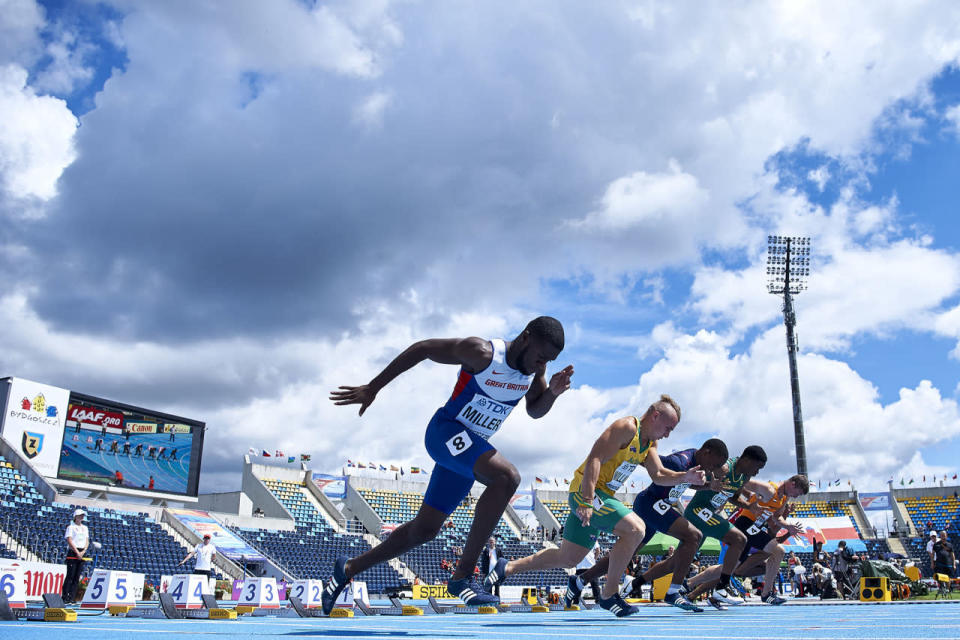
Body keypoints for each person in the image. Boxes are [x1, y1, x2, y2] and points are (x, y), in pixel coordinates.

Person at [322, 317, 572, 612]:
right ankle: (463, 576)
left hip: (469, 450)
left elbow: (534, 410)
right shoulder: (482, 354)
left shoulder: (536, 370)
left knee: (425, 531)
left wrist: (552, 393)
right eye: (541, 357)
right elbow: (423, 348)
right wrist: (373, 387)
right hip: (446, 432)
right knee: (507, 478)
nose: (541, 365)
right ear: (526, 338)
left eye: (549, 361)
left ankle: (347, 568)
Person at [486, 396, 707, 617]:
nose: (668, 434)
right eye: (668, 428)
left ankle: (507, 567)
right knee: (636, 529)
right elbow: (595, 459)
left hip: (601, 495)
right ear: (655, 416)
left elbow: (658, 475)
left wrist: (684, 477)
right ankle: (609, 594)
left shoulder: (650, 442)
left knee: (568, 558)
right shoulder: (627, 427)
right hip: (586, 492)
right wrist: (587, 500)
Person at [575, 438, 730, 612]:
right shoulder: (679, 461)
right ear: (707, 452)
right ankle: (674, 591)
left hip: (656, 506)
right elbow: (649, 461)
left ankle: (581, 580)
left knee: (627, 553)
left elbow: (688, 482)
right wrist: (641, 446)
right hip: (651, 504)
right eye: (714, 464)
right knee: (694, 536)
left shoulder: (698, 461)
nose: (713, 469)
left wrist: (709, 486)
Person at [688, 474, 808, 606]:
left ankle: (688, 583)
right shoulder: (768, 489)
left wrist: (788, 526)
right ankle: (766, 594)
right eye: (798, 493)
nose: (797, 497)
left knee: (729, 568)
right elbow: (742, 482)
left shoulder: (785, 497)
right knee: (778, 550)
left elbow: (777, 517)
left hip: (753, 529)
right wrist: (744, 498)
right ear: (793, 484)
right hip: (744, 524)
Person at [680, 445, 770, 609]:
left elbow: (733, 496)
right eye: (757, 467)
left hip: (708, 515)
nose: (757, 473)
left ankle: (642, 584)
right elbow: (692, 481)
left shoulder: (744, 478)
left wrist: (749, 507)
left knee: (677, 560)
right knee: (738, 539)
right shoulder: (723, 467)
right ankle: (721, 588)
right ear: (747, 460)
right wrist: (708, 484)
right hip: (698, 511)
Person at [62, 509, 89, 603]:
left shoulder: (85, 528)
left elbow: (87, 540)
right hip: (73, 551)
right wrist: (77, 552)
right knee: (70, 576)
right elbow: (69, 540)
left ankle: (72, 597)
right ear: (75, 516)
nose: (82, 517)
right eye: (80, 515)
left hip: (82, 551)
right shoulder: (71, 527)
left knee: (77, 576)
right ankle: (65, 596)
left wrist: (84, 550)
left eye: (83, 515)